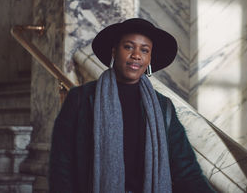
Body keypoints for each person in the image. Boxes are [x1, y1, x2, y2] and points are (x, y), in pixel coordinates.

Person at [49, 18, 216, 193]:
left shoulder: (162, 107)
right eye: (128, 47)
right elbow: (61, 167)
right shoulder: (81, 99)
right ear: (114, 52)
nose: (136, 55)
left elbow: (186, 170)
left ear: (150, 59)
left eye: (144, 50)